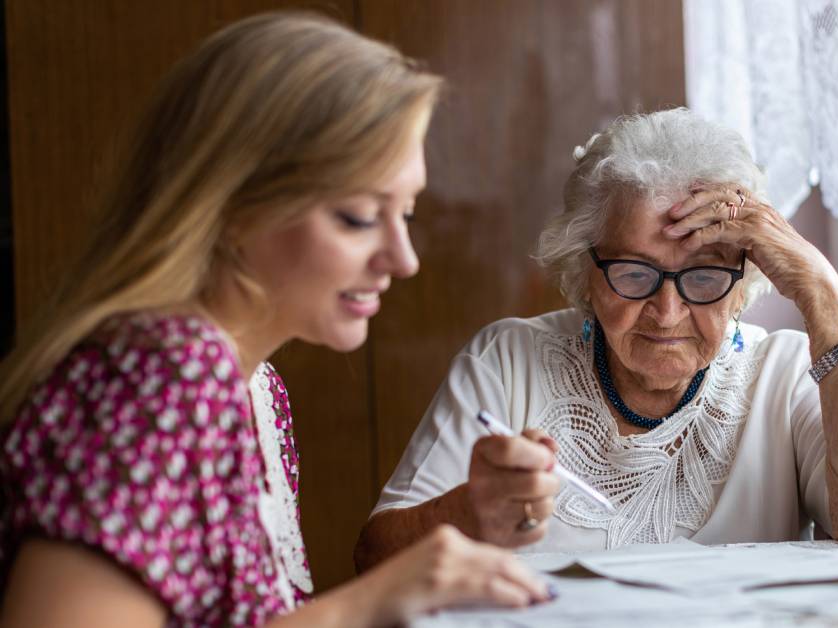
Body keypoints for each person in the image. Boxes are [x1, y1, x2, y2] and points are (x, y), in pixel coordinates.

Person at [0, 12, 550, 627]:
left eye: (408, 213)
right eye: (360, 217)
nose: (405, 260)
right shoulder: (163, 372)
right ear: (233, 207)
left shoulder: (258, 389)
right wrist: (366, 603)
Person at [355, 108, 838, 566]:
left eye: (704, 276)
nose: (667, 311)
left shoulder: (783, 375)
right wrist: (469, 511)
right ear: (586, 273)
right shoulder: (509, 360)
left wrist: (823, 294)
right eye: (634, 274)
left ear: (742, 282)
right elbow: (376, 557)